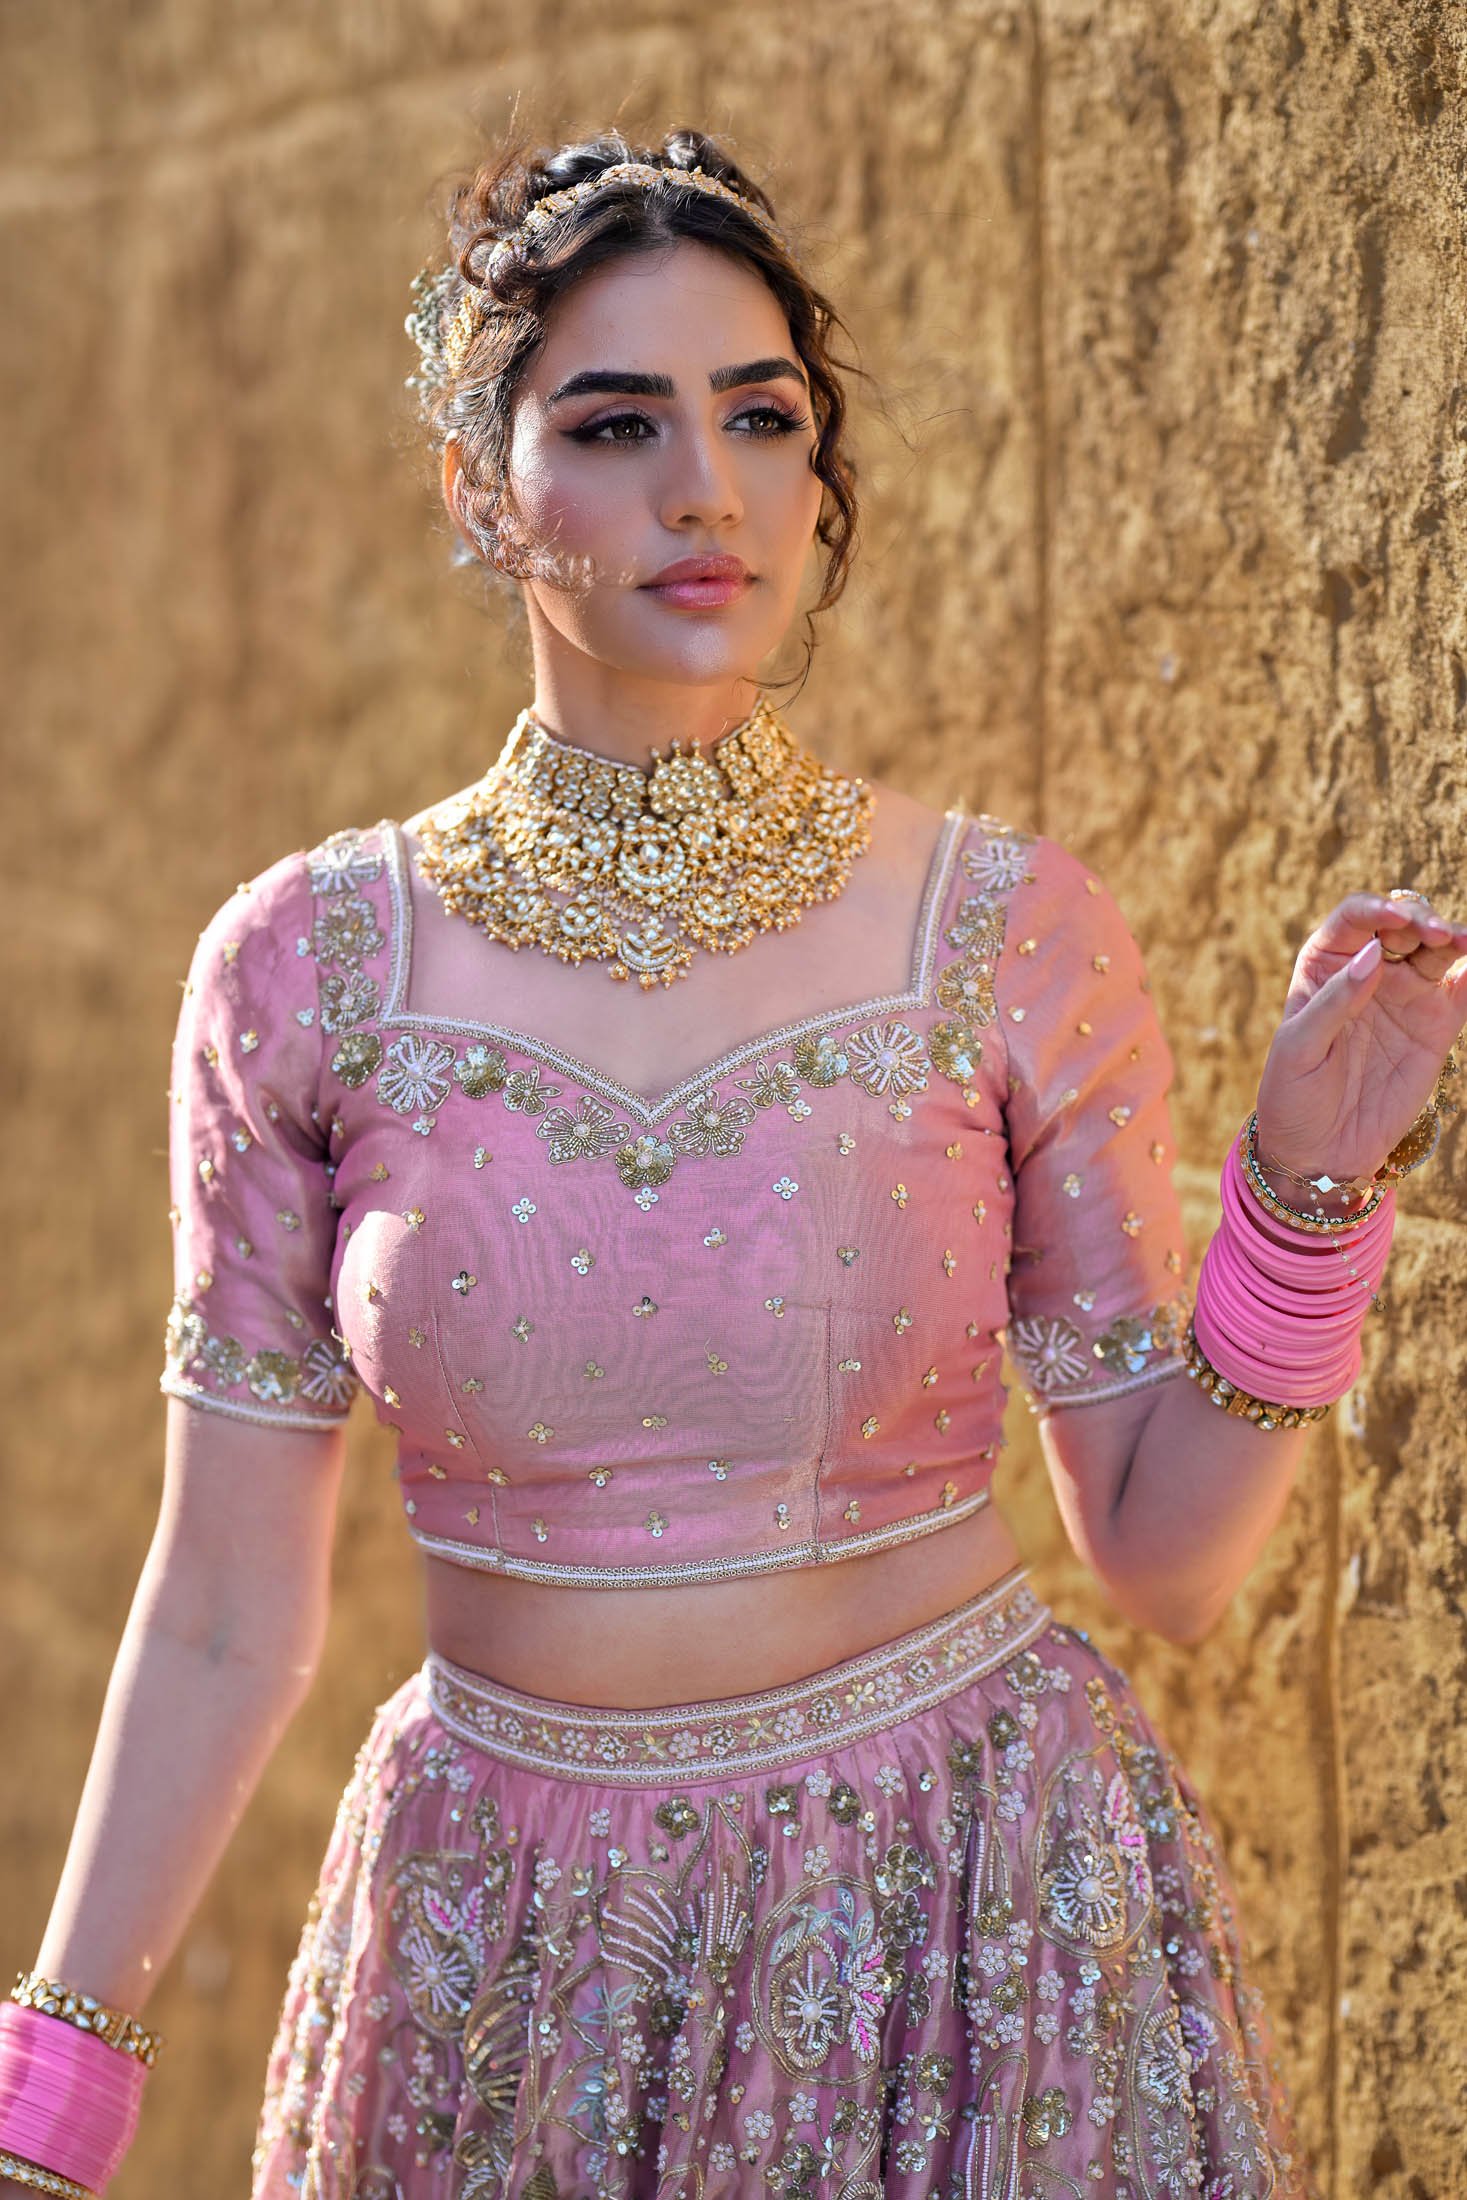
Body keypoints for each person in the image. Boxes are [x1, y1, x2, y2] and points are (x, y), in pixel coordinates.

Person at [4, 125, 1465, 2200]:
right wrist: (46, 2099)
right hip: (506, 1953)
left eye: (761, 418)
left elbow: (1164, 1552)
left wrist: (1307, 1189)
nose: (705, 487)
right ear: (479, 488)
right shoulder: (309, 968)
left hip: (971, 1921)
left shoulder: (1001, 929)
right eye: (616, 425)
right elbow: (230, 1608)